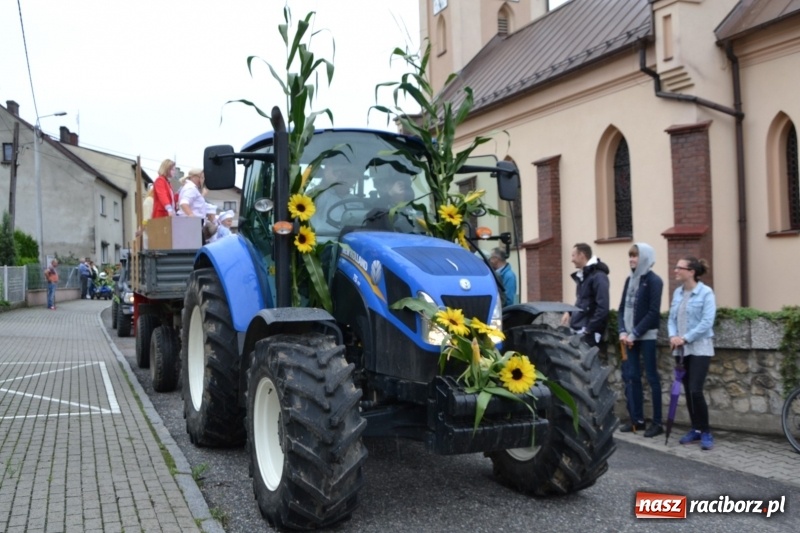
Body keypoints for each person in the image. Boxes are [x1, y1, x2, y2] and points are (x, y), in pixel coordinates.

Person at [668, 256, 716, 451]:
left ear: (691, 272)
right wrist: (672, 336)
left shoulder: (706, 293)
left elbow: (707, 322)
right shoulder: (678, 293)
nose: (675, 271)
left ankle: (706, 431)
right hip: (681, 349)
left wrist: (685, 338)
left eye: (679, 268)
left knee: (696, 389)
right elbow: (671, 319)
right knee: (687, 390)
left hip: (700, 348)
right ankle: (695, 429)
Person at [617, 243, 664, 437]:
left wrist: (634, 333)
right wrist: (622, 331)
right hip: (628, 338)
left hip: (646, 337)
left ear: (645, 257)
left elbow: (653, 313)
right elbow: (621, 309)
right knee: (632, 378)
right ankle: (637, 420)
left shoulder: (655, 281)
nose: (632, 260)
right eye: (630, 256)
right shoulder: (630, 280)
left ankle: (658, 423)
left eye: (635, 256)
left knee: (652, 378)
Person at [561, 242, 610, 349]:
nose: (571, 259)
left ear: (582, 255)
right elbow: (582, 301)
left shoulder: (598, 277)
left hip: (588, 335)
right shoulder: (584, 275)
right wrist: (570, 312)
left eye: (573, 255)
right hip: (580, 331)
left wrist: (588, 329)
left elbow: (603, 307)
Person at [311, 162, 360, 237]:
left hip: (349, 241)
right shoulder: (320, 194)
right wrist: (330, 182)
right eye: (339, 174)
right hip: (322, 241)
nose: (343, 178)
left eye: (349, 175)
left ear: (355, 180)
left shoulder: (357, 201)